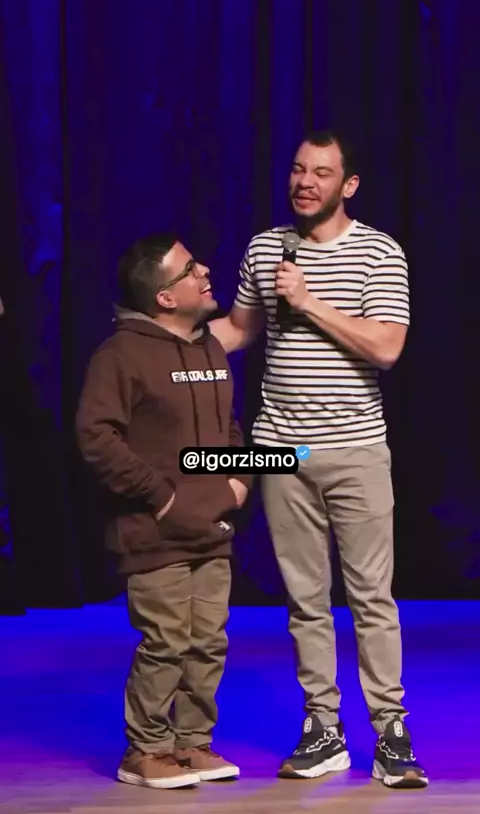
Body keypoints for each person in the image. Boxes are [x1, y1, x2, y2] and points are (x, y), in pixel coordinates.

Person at [210, 129, 428, 789]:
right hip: (283, 449)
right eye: (299, 169)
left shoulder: (379, 252)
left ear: (348, 185)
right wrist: (157, 339)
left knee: (371, 598)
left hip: (356, 448)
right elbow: (240, 330)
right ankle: (323, 728)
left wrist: (308, 302)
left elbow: (386, 347)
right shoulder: (265, 248)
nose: (305, 182)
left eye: (322, 173)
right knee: (305, 600)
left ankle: (390, 733)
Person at [76, 233, 252, 790]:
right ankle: (146, 750)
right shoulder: (121, 355)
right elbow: (96, 437)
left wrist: (239, 482)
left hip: (212, 527)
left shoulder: (209, 349)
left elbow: (228, 425)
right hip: (154, 533)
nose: (205, 272)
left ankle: (192, 743)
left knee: (209, 642)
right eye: (190, 269)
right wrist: (162, 496)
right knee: (166, 642)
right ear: (165, 297)